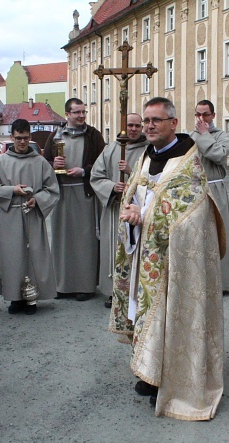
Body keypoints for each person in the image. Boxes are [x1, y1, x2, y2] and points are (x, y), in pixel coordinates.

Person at [109, 97, 226, 421]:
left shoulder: (189, 160)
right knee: (146, 314)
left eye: (156, 120)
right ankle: (150, 371)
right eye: (146, 120)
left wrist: (145, 217)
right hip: (147, 254)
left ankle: (172, 380)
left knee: (171, 315)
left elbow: (194, 211)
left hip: (176, 261)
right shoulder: (148, 156)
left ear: (173, 123)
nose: (148, 126)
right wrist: (132, 209)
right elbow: (139, 194)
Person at [0, 119, 60, 315]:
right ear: (11, 137)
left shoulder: (40, 162)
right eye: (18, 138)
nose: (22, 142)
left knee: (34, 254)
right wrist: (12, 190)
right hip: (11, 213)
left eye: (25, 138)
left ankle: (32, 298)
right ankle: (15, 297)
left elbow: (52, 189)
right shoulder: (1, 161)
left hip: (32, 213)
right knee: (12, 256)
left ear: (30, 137)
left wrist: (37, 199)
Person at [43, 98, 106, 301]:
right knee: (62, 240)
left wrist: (84, 170)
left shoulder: (94, 136)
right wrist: (54, 164)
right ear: (67, 114)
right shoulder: (55, 137)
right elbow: (44, 163)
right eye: (76, 112)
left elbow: (103, 162)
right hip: (61, 192)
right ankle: (62, 285)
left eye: (83, 112)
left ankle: (85, 286)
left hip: (84, 191)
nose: (81, 116)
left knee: (84, 240)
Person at [90, 113, 148, 309]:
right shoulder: (111, 149)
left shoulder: (149, 150)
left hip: (138, 211)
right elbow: (96, 176)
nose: (133, 129)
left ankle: (135, 292)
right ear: (123, 127)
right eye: (130, 125)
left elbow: (155, 179)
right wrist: (112, 187)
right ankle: (112, 291)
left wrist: (132, 173)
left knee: (136, 250)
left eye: (137, 126)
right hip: (115, 209)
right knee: (113, 250)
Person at [189, 100, 229, 292]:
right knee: (196, 235)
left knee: (219, 234)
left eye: (206, 114)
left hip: (215, 189)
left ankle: (223, 282)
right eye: (198, 114)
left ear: (213, 115)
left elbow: (219, 155)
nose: (202, 119)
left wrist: (204, 135)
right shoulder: (190, 136)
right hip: (195, 189)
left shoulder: (221, 136)